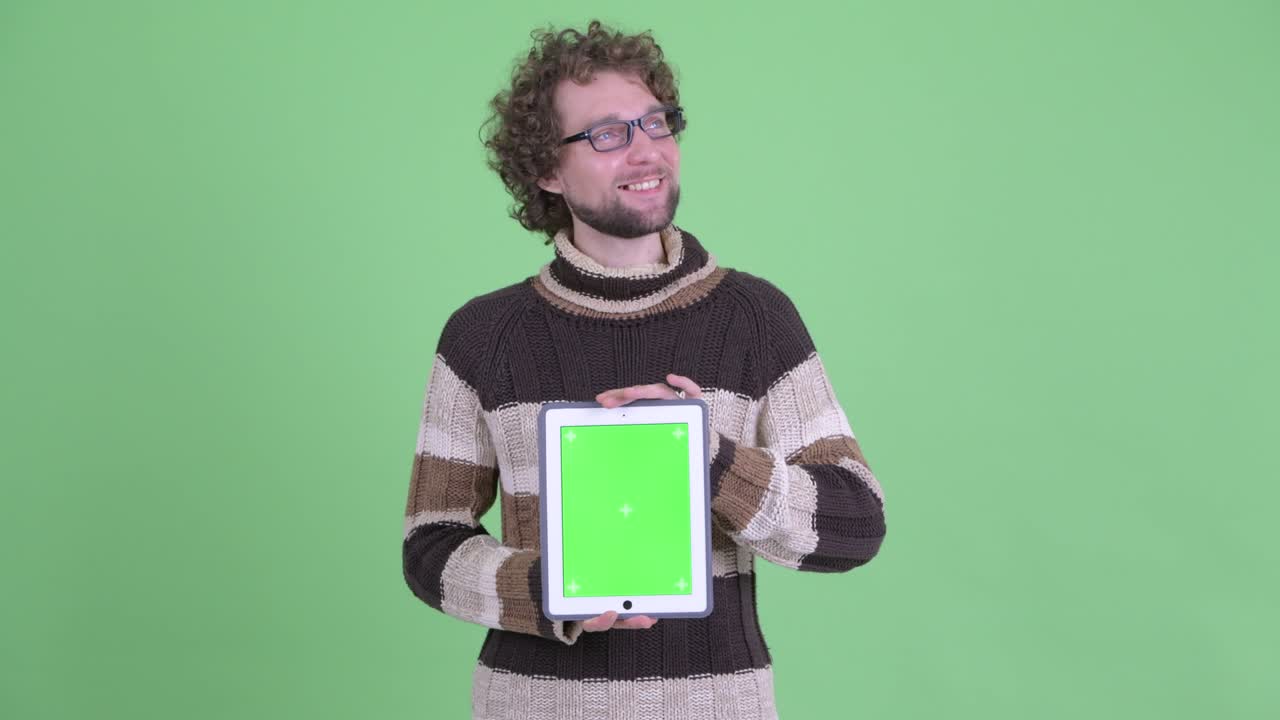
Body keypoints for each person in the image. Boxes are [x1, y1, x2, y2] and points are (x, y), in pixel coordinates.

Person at [401, 19, 887, 719]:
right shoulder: (484, 336)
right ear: (546, 168)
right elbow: (429, 544)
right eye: (607, 134)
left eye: (656, 123)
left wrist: (712, 461)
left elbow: (854, 522)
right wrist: (545, 590)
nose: (646, 151)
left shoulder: (754, 317)